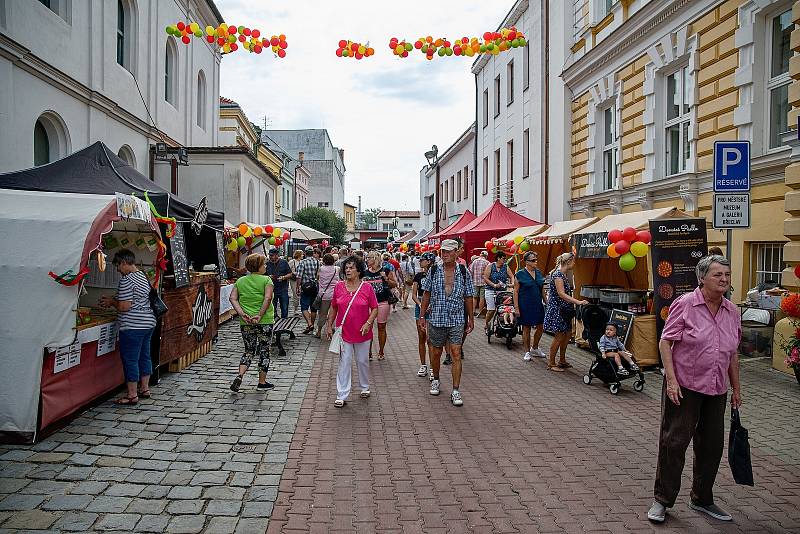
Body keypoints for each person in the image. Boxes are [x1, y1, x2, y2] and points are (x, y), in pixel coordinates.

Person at [647, 255, 742, 524]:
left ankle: (702, 498)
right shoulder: (686, 304)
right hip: (685, 385)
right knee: (674, 443)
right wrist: (672, 381)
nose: (724, 279)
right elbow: (666, 342)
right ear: (702, 278)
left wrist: (736, 388)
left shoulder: (732, 311)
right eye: (718, 275)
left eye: (727, 274)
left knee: (712, 446)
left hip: (716, 388)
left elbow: (732, 354)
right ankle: (662, 500)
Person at [418, 239, 475, 406]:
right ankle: (435, 379)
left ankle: (456, 390)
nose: (445, 254)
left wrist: (471, 318)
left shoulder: (464, 271)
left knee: (456, 353)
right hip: (436, 317)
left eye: (449, 251)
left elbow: (469, 296)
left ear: (457, 253)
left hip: (457, 318)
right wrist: (422, 316)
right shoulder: (434, 270)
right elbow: (426, 294)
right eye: (443, 251)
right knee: (435, 352)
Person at [99, 249, 157, 405]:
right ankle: (144, 388)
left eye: (118, 265)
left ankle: (132, 395)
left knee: (130, 359)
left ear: (124, 262)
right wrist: (114, 299)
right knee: (145, 356)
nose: (117, 270)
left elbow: (125, 307)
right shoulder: (142, 276)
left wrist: (112, 302)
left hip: (133, 326)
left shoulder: (127, 280)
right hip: (148, 323)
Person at [326, 256, 379, 407]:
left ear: (359, 270)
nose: (348, 270)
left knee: (362, 361)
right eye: (346, 268)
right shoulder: (338, 287)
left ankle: (364, 386)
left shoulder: (367, 287)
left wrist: (368, 323)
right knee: (345, 362)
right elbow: (334, 307)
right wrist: (329, 325)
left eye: (351, 268)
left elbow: (375, 308)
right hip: (344, 332)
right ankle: (342, 394)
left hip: (362, 331)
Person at [228, 253, 276, 392]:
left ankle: (240, 375)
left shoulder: (241, 281)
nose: (266, 266)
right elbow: (267, 299)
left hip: (246, 321)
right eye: (264, 264)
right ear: (259, 266)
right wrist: (260, 315)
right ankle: (261, 382)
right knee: (264, 351)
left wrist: (242, 313)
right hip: (264, 321)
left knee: (249, 350)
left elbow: (233, 298)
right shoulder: (267, 280)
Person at [543, 252, 588, 371]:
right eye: (573, 261)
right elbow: (561, 294)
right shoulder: (558, 275)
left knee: (567, 334)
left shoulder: (562, 274)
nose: (574, 263)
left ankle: (562, 360)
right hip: (558, 309)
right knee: (559, 336)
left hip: (564, 309)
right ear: (568, 262)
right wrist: (577, 302)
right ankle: (551, 363)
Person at [363, 250, 397, 360]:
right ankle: (368, 352)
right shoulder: (365, 273)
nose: (367, 260)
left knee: (381, 327)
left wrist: (385, 278)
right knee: (368, 326)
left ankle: (381, 351)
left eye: (369, 258)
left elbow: (394, 284)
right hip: (368, 304)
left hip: (382, 302)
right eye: (367, 258)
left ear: (375, 259)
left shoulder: (385, 270)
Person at [514, 251, 547, 361]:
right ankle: (527, 351)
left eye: (536, 259)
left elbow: (541, 288)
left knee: (541, 326)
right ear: (526, 262)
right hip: (525, 304)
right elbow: (516, 292)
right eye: (533, 260)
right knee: (526, 328)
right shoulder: (520, 274)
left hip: (537, 304)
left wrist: (546, 301)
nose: (536, 262)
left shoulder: (538, 273)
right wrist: (516, 307)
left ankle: (535, 347)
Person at [412, 252, 435, 378]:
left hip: (432, 307)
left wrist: (431, 304)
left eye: (423, 260)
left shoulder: (437, 274)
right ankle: (423, 365)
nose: (420, 261)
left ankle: (433, 368)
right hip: (420, 305)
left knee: (431, 339)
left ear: (429, 261)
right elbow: (414, 294)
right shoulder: (418, 275)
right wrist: (420, 305)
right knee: (421, 335)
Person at [483, 251, 515, 334]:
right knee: (491, 310)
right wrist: (493, 285)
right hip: (490, 290)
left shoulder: (505, 266)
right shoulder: (490, 266)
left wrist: (512, 283)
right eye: (503, 258)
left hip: (502, 291)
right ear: (498, 258)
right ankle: (487, 324)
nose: (505, 260)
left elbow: (511, 276)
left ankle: (502, 322)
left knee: (503, 308)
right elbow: (485, 278)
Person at [295, 246, 320, 334]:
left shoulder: (303, 262)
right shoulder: (317, 262)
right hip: (314, 287)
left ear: (305, 253)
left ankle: (309, 324)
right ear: (313, 253)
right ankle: (311, 325)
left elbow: (299, 276)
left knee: (304, 307)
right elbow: (318, 275)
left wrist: (298, 287)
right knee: (313, 308)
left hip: (305, 287)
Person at [314, 253, 340, 337]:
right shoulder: (337, 269)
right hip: (335, 295)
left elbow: (317, 278)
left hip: (324, 295)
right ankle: (332, 328)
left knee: (322, 313)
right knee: (334, 313)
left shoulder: (321, 269)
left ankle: (319, 331)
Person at [265, 248, 292, 319]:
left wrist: (283, 277)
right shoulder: (267, 264)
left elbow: (290, 274)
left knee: (284, 307)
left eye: (272, 255)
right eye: (269, 255)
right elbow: (263, 275)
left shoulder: (284, 262)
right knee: (272, 307)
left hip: (283, 288)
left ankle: (284, 320)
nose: (270, 257)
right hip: (271, 289)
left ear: (277, 255)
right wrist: (268, 277)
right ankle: (274, 319)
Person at [469, 251, 490, 317]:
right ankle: (480, 313)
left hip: (475, 282)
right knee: (482, 298)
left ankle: (473, 311)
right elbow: (489, 273)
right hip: (484, 282)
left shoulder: (474, 261)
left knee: (474, 297)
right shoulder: (487, 262)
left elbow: (471, 271)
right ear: (486, 256)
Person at [288, 250, 303, 314]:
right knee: (295, 294)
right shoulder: (292, 261)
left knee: (301, 294)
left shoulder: (302, 262)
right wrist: (293, 273)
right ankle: (295, 308)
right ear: (298, 255)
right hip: (294, 279)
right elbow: (288, 270)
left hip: (301, 279)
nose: (303, 255)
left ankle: (302, 308)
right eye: (302, 254)